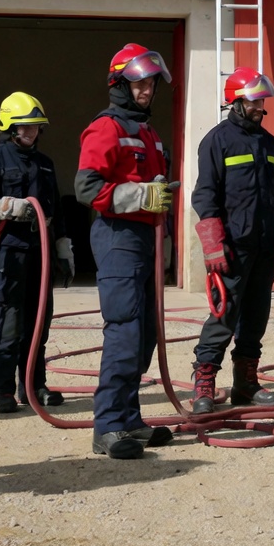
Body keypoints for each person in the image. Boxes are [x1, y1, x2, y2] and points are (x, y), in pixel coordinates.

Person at [75, 44, 175, 459]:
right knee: (125, 329)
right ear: (120, 83)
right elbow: (86, 187)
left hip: (146, 242)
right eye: (140, 83)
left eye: (151, 83)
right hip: (118, 239)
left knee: (146, 333)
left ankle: (129, 418)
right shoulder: (106, 128)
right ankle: (108, 425)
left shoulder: (147, 132)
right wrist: (140, 196)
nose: (147, 90)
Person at [191, 67, 274, 414]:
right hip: (231, 250)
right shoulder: (216, 141)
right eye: (254, 101)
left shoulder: (268, 143)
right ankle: (204, 383)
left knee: (256, 316)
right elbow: (205, 196)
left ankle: (245, 383)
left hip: (265, 246)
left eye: (262, 100)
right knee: (224, 316)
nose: (260, 107)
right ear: (236, 102)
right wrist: (211, 245)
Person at [0, 92, 72, 414]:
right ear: (10, 126)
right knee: (9, 320)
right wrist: (4, 205)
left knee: (39, 320)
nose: (31, 133)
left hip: (40, 252)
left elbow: (56, 206)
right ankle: (2, 389)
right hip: (9, 254)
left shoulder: (45, 164)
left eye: (36, 127)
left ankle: (33, 385)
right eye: (25, 127)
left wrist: (63, 246)